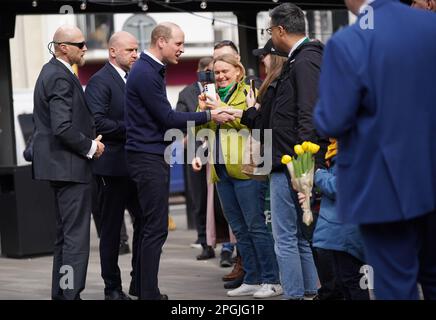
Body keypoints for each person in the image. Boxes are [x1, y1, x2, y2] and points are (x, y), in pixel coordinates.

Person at [314, 0, 436, 300]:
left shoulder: (349, 41)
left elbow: (331, 120)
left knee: (395, 284)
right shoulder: (430, 26)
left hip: (384, 184)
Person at [124, 22, 235, 300]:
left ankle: (140, 287)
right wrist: (210, 116)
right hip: (147, 158)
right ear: (161, 41)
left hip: (145, 155)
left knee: (148, 225)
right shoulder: (147, 72)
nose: (182, 49)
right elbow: (168, 119)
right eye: (178, 43)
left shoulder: (147, 70)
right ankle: (148, 292)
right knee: (156, 227)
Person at [194, 54, 282, 299]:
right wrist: (203, 112)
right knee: (239, 229)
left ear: (238, 72)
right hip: (221, 170)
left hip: (246, 169)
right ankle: (252, 278)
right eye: (217, 72)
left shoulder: (248, 93)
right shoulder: (210, 96)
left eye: (225, 71)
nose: (220, 76)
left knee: (256, 227)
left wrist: (221, 111)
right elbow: (201, 131)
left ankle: (272, 279)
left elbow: (252, 124)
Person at [32, 25, 105, 300]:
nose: (85, 48)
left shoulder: (53, 72)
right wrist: (92, 147)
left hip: (62, 168)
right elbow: (61, 127)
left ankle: (63, 294)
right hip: (70, 169)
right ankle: (70, 294)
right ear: (64, 47)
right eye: (81, 44)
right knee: (75, 240)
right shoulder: (60, 76)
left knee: (65, 237)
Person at [262, 3, 327, 300]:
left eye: (269, 30)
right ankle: (309, 291)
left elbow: (308, 113)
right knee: (298, 238)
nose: (270, 36)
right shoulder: (301, 59)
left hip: (291, 163)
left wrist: (303, 167)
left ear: (280, 30)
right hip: (292, 160)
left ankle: (295, 295)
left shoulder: (304, 61)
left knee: (285, 238)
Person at [85, 31, 141, 300]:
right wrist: (133, 128)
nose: (135, 54)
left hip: (136, 167)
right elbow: (96, 123)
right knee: (111, 233)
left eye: (136, 49)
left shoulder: (133, 79)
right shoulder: (99, 82)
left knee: (146, 225)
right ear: (112, 52)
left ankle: (139, 283)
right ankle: (113, 290)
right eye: (130, 50)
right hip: (110, 169)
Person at [298, 139, 369, 300]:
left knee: (350, 280)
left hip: (346, 229)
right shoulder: (338, 152)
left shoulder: (352, 150)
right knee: (343, 281)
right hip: (338, 230)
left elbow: (340, 188)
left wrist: (317, 174)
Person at [176, 56, 216, 260]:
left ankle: (226, 246)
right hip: (196, 151)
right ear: (200, 72)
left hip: (218, 150)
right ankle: (204, 243)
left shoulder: (220, 89)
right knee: (199, 199)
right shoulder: (187, 93)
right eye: (209, 71)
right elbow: (179, 121)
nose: (213, 75)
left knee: (218, 200)